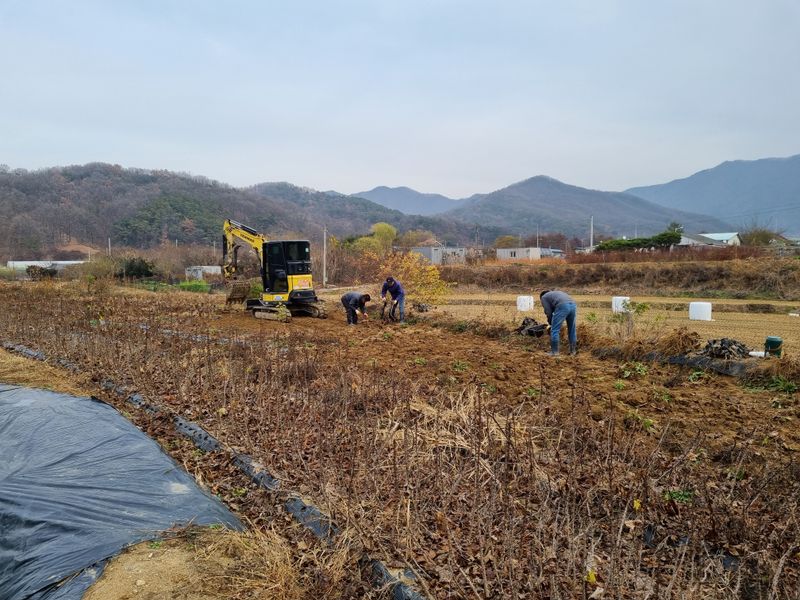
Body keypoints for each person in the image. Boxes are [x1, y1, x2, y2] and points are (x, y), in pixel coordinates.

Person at [539, 289, 577, 356]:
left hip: (563, 306)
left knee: (554, 330)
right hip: (573, 305)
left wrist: (551, 322)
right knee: (572, 330)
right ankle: (573, 352)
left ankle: (554, 352)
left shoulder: (544, 297)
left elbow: (548, 312)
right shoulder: (555, 293)